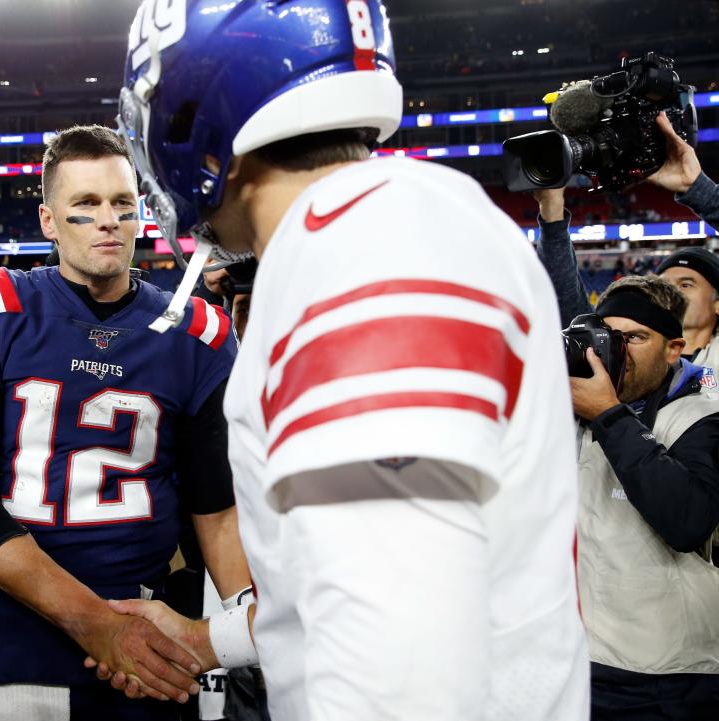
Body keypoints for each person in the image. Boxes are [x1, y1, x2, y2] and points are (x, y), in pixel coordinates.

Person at [93, 2, 591, 719]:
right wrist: (209, 639)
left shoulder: (366, 249)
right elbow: (350, 575)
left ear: (199, 116)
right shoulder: (380, 226)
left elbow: (405, 666)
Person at [0, 124, 252, 720]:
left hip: (152, 644)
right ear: (49, 220)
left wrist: (248, 624)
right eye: (86, 204)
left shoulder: (195, 334)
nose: (108, 220)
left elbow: (216, 509)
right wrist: (97, 625)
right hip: (15, 649)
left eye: (122, 204)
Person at [568, 276, 719, 719]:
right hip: (582, 659)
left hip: (665, 673)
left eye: (635, 337)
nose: (620, 351)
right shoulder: (575, 415)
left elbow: (687, 521)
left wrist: (610, 417)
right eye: (611, 338)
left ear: (674, 348)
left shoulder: (701, 419)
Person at [535, 113, 719, 370]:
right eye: (662, 283)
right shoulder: (621, 369)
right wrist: (551, 209)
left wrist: (699, 189)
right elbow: (567, 304)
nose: (671, 292)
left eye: (686, 284)